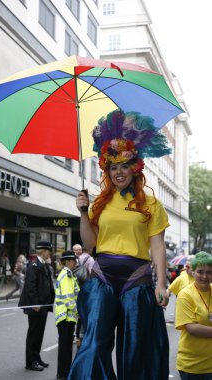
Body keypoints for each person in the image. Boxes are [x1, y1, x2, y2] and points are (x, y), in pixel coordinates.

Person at [68, 109, 171, 380]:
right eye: (113, 167)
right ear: (107, 170)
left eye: (124, 166)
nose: (119, 172)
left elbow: (157, 246)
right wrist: (82, 212)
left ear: (135, 168)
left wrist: (161, 283)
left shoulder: (151, 204)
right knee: (93, 343)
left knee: (135, 348)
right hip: (103, 275)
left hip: (136, 278)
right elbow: (90, 244)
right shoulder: (100, 203)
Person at [18, 240, 55, 372]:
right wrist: (35, 303)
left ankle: (36, 357)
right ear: (44, 251)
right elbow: (31, 286)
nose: (50, 253)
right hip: (36, 307)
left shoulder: (43, 264)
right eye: (49, 251)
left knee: (39, 334)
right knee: (34, 334)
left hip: (43, 306)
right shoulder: (34, 265)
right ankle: (30, 361)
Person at [175, 251, 212, 379]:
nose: (205, 276)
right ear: (193, 272)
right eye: (200, 272)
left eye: (209, 272)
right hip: (192, 366)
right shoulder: (185, 294)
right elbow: (192, 328)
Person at [55, 250, 80, 380]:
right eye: (74, 261)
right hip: (64, 316)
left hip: (67, 316)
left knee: (67, 347)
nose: (76, 263)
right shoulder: (66, 276)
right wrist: (78, 311)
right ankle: (63, 374)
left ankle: (65, 372)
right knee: (65, 348)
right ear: (69, 261)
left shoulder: (69, 274)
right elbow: (68, 298)